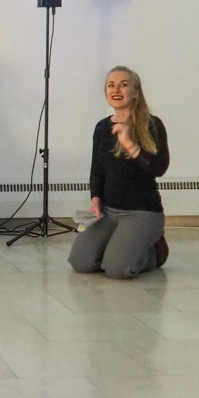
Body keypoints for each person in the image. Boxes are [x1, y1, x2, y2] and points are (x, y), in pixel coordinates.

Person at [68, 66, 170, 279]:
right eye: (111, 85)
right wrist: (95, 198)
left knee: (117, 269)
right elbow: (97, 169)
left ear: (135, 92)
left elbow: (159, 168)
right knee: (81, 262)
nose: (116, 89)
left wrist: (129, 143)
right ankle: (120, 245)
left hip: (142, 213)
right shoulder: (102, 127)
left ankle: (154, 252)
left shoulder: (152, 125)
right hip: (108, 211)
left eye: (124, 85)